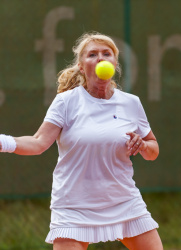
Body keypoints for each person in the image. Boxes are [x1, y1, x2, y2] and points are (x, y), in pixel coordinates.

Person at [0, 32, 163, 250]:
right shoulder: (66, 102)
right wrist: (3, 142)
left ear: (114, 63)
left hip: (124, 201)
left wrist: (143, 146)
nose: (100, 58)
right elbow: (38, 143)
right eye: (92, 54)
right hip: (73, 206)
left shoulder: (131, 103)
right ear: (81, 65)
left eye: (107, 54)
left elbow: (153, 150)